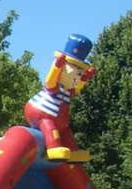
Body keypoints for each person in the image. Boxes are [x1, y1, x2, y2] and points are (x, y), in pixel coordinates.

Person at [24, 33, 97, 162]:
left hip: (60, 120)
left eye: (80, 73)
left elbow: (77, 87)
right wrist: (57, 67)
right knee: (49, 126)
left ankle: (74, 152)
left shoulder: (68, 91)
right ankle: (53, 147)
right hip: (41, 113)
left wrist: (86, 78)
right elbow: (49, 81)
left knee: (66, 132)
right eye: (77, 72)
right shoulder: (54, 86)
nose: (77, 77)